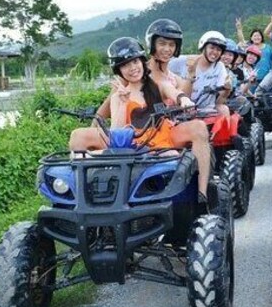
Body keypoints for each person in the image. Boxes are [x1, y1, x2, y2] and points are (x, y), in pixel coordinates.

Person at [69, 37, 212, 206]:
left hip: (161, 135)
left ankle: (202, 193)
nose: (132, 68)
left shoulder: (158, 85)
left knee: (199, 127)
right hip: (133, 141)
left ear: (142, 62)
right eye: (125, 65)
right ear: (119, 70)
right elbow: (117, 133)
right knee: (77, 135)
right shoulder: (119, 96)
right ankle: (82, 196)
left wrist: (183, 100)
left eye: (135, 61)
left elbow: (173, 92)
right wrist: (122, 103)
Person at [169, 30, 231, 117]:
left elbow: (220, 101)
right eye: (212, 48)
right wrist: (191, 75)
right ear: (203, 47)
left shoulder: (219, 67)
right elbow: (161, 67)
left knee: (224, 109)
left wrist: (227, 90)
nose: (215, 52)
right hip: (184, 110)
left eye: (219, 49)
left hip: (208, 111)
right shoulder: (183, 61)